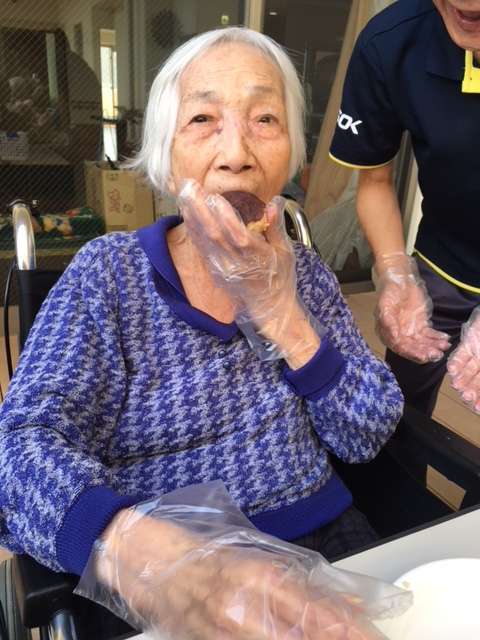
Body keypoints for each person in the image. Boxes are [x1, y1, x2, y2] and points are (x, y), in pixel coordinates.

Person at [0, 27, 402, 638]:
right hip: (160, 572)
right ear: (166, 155)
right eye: (203, 120)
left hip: (325, 544)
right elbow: (20, 449)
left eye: (264, 119)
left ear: (291, 152)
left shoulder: (306, 273)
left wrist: (283, 316)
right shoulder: (108, 275)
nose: (236, 152)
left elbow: (366, 434)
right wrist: (131, 545)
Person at [330, 0, 480, 417]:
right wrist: (395, 270)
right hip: (443, 259)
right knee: (397, 408)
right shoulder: (390, 41)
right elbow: (376, 181)